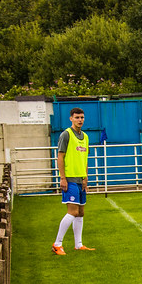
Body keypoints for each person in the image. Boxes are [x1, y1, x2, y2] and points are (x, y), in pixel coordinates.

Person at [52, 107, 95, 255]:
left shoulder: (86, 137)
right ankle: (57, 244)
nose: (80, 120)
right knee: (73, 211)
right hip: (69, 179)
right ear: (71, 118)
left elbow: (85, 159)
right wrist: (62, 178)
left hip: (80, 179)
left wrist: (85, 177)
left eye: (82, 117)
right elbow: (60, 157)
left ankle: (79, 244)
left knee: (81, 212)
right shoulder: (66, 135)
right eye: (77, 117)